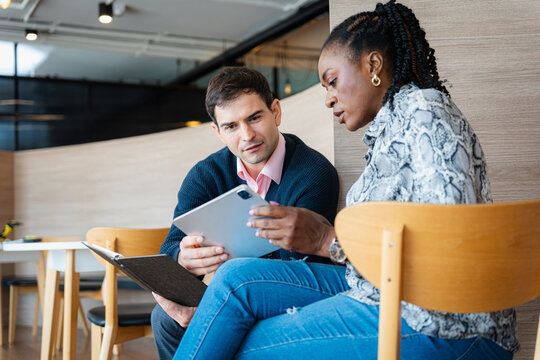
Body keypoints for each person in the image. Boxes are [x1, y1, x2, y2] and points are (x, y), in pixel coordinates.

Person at [171, 1, 517, 359]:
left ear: (373, 66)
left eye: (332, 81)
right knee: (235, 279)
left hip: (440, 321)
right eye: (230, 126)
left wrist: (326, 239)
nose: (328, 98)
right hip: (382, 290)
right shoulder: (391, 130)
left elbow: (449, 247)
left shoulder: (424, 113)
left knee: (244, 343)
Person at [151, 66, 340, 359]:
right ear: (217, 131)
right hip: (226, 291)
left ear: (275, 112)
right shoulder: (206, 175)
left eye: (255, 118)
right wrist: (182, 256)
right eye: (231, 126)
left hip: (287, 289)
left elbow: (302, 265)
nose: (247, 135)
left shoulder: (314, 172)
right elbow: (171, 245)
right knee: (164, 319)